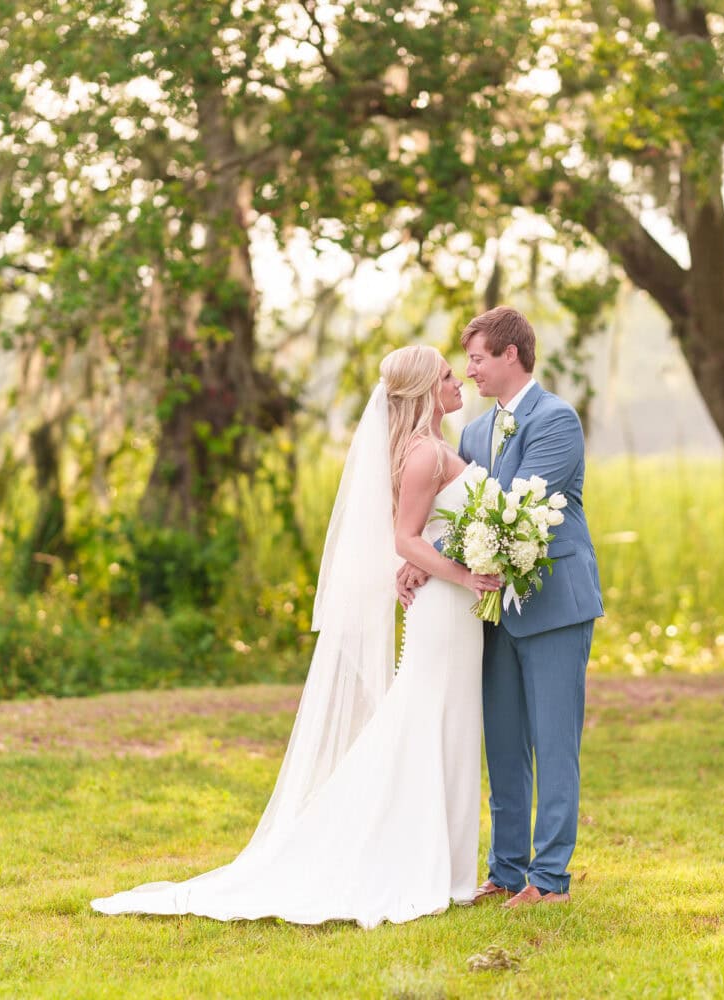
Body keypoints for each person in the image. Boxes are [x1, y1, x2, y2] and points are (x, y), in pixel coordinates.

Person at [90, 345, 501, 928]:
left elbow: (437, 531)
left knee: (453, 726)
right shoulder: (423, 456)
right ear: (423, 392)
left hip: (457, 611)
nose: (457, 380)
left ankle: (455, 870)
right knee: (426, 723)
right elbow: (404, 539)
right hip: (442, 611)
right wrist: (466, 575)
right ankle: (426, 865)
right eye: (445, 375)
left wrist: (463, 556)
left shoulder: (439, 449)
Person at [399, 306, 603, 909]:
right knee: (505, 743)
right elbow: (468, 513)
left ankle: (551, 880)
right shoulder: (474, 432)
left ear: (511, 355)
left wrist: (427, 549)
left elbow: (515, 510)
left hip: (554, 605)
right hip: (490, 611)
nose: (470, 371)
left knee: (553, 741)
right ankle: (507, 870)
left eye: (479, 358)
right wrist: (424, 552)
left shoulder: (556, 420)